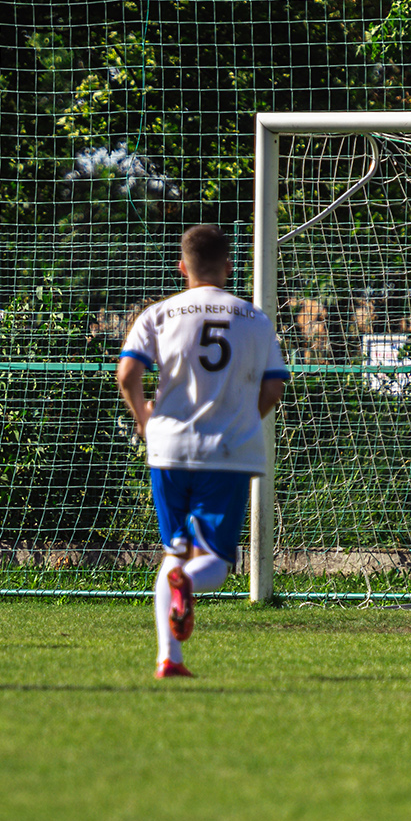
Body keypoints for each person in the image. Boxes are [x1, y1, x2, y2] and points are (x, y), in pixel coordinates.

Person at [116, 225, 289, 678]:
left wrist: (144, 419)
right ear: (228, 266)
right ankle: (186, 585)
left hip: (168, 448)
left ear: (182, 267)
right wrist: (243, 418)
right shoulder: (254, 319)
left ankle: (169, 658)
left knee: (174, 552)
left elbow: (127, 374)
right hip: (226, 449)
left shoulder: (159, 314)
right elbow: (274, 387)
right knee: (213, 561)